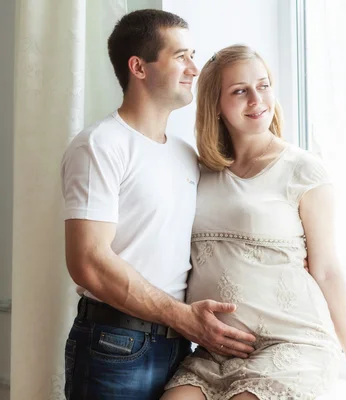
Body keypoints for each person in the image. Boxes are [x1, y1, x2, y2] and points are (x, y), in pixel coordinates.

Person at [61, 11, 256, 400]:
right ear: (139, 67)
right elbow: (86, 260)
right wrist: (182, 317)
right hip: (115, 344)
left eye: (193, 55)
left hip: (182, 348)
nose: (194, 69)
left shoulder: (186, 155)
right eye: (181, 56)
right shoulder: (100, 145)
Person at [161, 44, 346, 400]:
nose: (256, 99)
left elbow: (327, 270)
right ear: (216, 105)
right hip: (216, 353)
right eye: (240, 91)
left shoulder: (304, 170)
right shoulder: (197, 171)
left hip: (292, 343)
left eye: (263, 86)